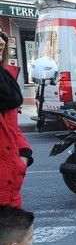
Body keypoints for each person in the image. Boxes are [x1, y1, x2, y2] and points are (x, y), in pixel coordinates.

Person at [0, 31, 31, 209]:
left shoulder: (7, 83)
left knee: (16, 237)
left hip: (11, 187)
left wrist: (24, 155)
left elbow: (13, 129)